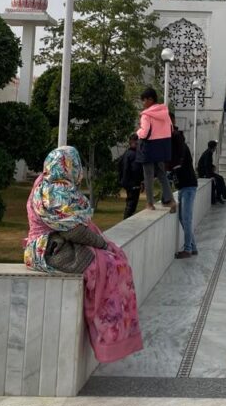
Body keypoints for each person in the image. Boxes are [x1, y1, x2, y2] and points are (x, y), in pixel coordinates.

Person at [24, 146, 143, 362]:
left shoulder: (47, 184)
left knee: (114, 261)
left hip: (55, 244)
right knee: (109, 265)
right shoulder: (54, 191)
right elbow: (73, 230)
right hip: (51, 249)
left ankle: (116, 336)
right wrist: (103, 244)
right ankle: (109, 336)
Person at [137, 87, 177, 213]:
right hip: (162, 147)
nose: (143, 103)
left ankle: (150, 203)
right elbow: (171, 129)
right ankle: (170, 200)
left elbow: (144, 133)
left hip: (148, 148)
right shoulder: (165, 113)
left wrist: (138, 132)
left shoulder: (146, 115)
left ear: (150, 99)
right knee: (162, 174)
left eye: (144, 100)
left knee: (148, 176)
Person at [174, 134, 199, 259]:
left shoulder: (182, 149)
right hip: (183, 187)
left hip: (188, 187)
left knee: (186, 219)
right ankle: (192, 247)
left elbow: (177, 166)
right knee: (182, 218)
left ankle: (188, 249)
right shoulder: (180, 149)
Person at [197, 140, 226, 204]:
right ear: (213, 147)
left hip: (207, 172)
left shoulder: (209, 152)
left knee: (220, 178)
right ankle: (219, 197)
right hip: (204, 173)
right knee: (218, 180)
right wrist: (209, 176)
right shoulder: (208, 153)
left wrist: (213, 166)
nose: (216, 148)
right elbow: (206, 166)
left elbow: (208, 164)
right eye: (215, 147)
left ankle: (224, 195)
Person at [118, 133, 143, 219]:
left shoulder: (127, 153)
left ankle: (126, 219)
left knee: (130, 204)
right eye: (136, 143)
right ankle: (126, 220)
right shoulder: (133, 154)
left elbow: (120, 165)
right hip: (133, 183)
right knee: (131, 205)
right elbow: (136, 170)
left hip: (129, 183)